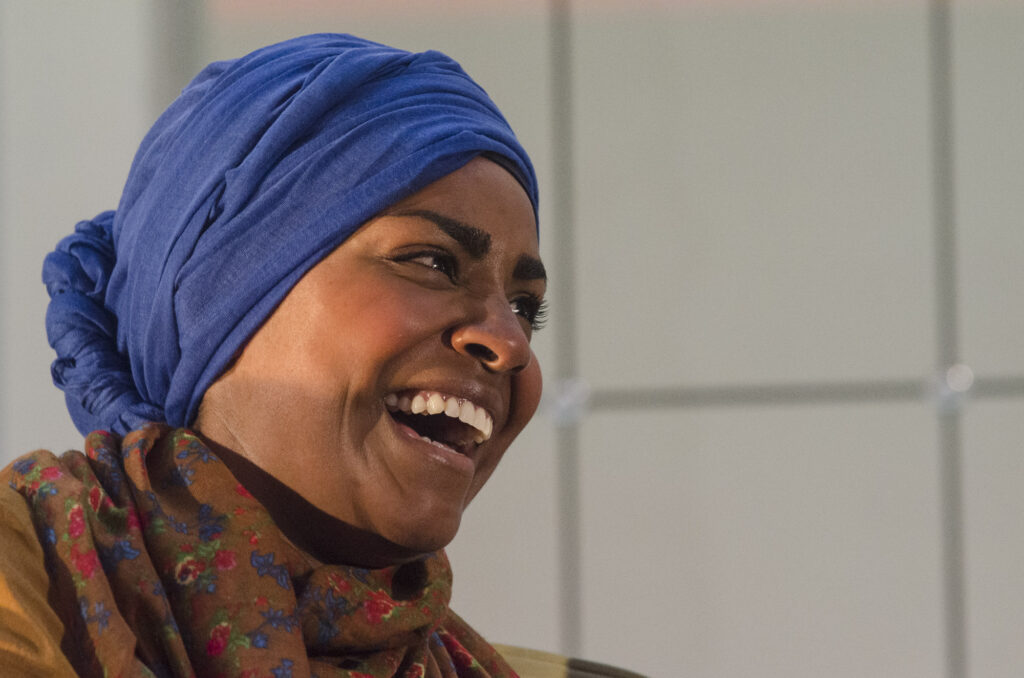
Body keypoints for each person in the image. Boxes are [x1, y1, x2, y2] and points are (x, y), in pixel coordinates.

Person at [0, 33, 549, 678]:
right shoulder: (29, 589)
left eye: (526, 307)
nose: (511, 342)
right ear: (219, 294)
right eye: (432, 262)